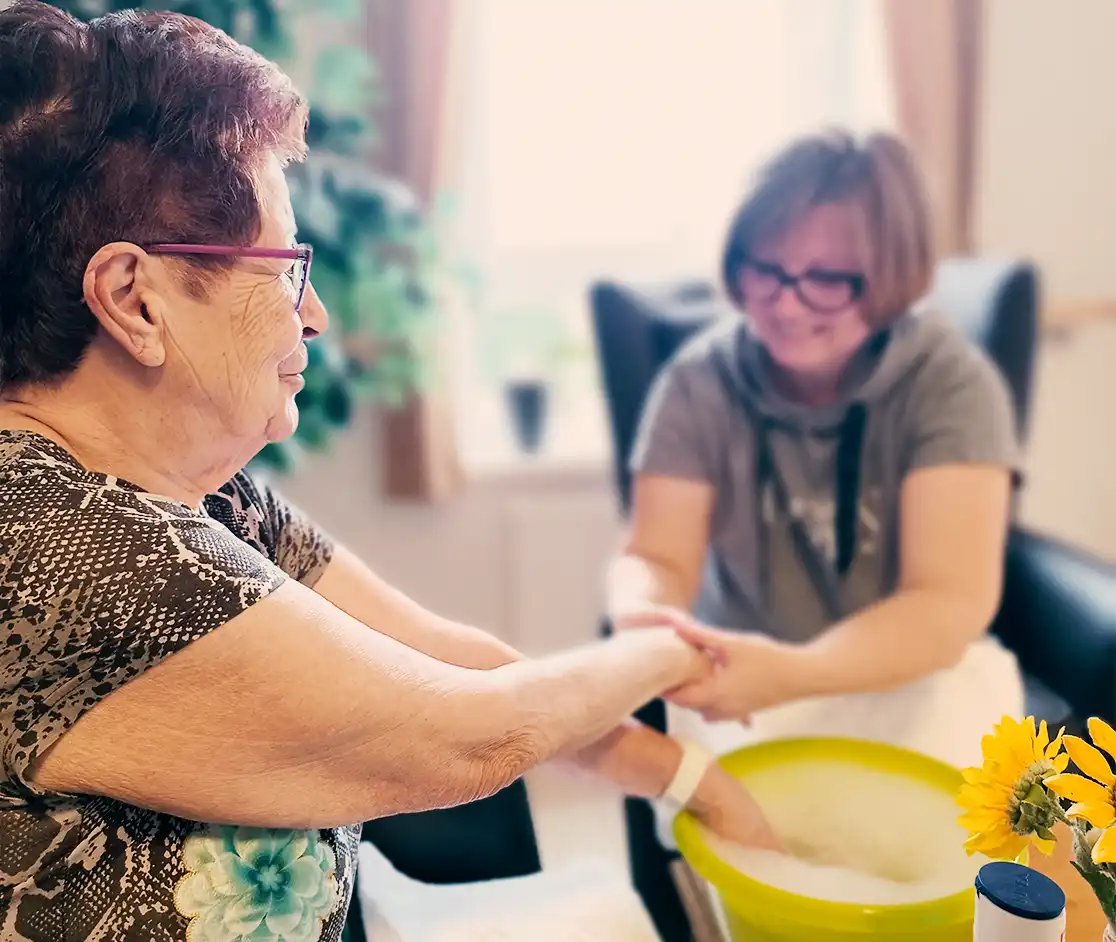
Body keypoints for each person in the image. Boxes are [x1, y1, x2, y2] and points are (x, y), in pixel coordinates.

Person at [0, 4, 778, 940]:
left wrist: (694, 782)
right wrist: (676, 651)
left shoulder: (198, 487)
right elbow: (474, 733)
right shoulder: (49, 537)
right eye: (285, 271)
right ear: (135, 300)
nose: (316, 315)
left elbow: (449, 658)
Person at [607, 130, 1024, 833]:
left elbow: (947, 598)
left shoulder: (949, 384)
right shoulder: (698, 381)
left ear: (893, 277)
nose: (787, 303)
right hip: (734, 683)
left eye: (828, 279)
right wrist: (647, 621)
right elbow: (656, 557)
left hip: (905, 680)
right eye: (764, 269)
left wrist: (795, 671)